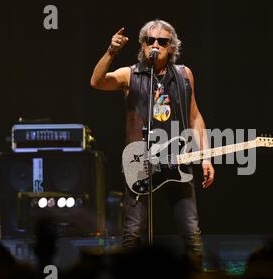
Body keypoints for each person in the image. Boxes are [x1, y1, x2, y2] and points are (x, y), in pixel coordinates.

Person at [90, 19, 214, 262]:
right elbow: (97, 81)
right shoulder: (131, 74)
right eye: (150, 40)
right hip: (140, 161)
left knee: (191, 233)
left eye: (162, 41)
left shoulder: (184, 75)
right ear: (143, 44)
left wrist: (206, 157)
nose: (155, 45)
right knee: (133, 234)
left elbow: (195, 117)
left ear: (171, 47)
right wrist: (111, 51)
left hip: (177, 161)